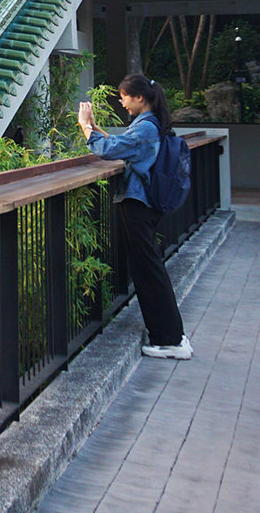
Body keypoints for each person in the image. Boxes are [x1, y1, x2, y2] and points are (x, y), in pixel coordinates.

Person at [78, 74, 191, 360]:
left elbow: (110, 149)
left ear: (140, 98)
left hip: (138, 205)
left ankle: (170, 340)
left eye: (125, 96)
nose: (122, 101)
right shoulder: (150, 125)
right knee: (150, 268)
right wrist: (95, 128)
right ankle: (171, 334)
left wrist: (85, 127)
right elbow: (122, 144)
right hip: (145, 205)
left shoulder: (146, 128)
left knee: (149, 271)